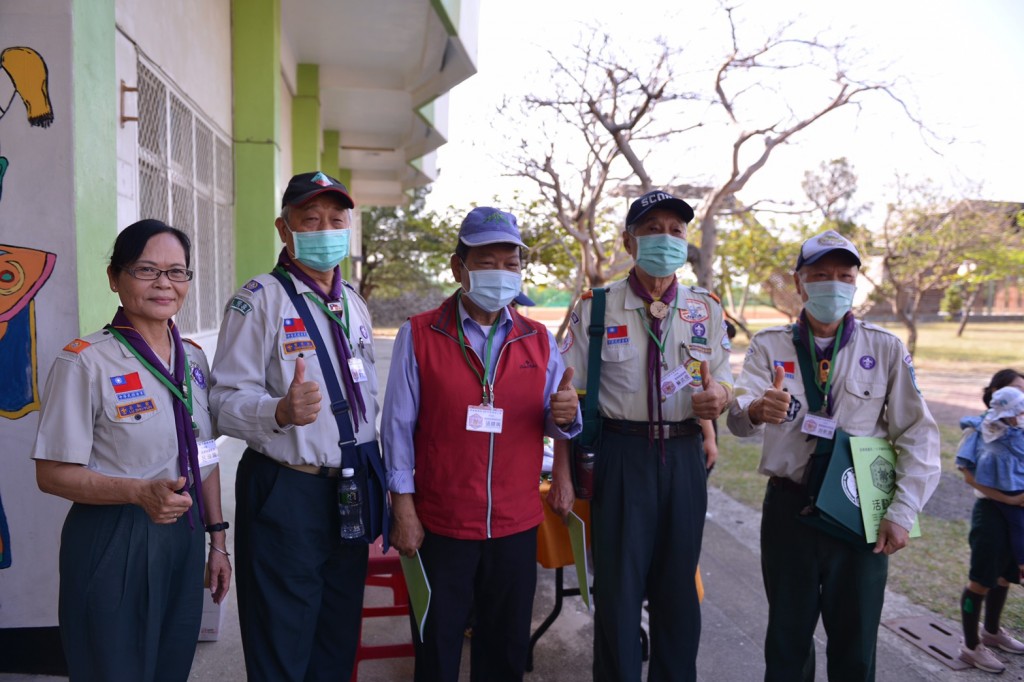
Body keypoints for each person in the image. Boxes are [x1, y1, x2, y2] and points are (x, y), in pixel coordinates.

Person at [726, 229, 941, 681]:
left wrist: (902, 511)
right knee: (787, 641)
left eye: (845, 275)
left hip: (859, 507)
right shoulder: (769, 345)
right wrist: (757, 409)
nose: (833, 284)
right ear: (799, 281)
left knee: (856, 643)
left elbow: (918, 434)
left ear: (856, 281)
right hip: (789, 508)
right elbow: (739, 417)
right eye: (820, 274)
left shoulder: (885, 348)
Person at [382, 206, 581, 682]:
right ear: (459, 267)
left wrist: (568, 420)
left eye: (511, 264)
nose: (501, 273)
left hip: (514, 524)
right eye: (487, 261)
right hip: (441, 523)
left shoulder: (538, 339)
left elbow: (558, 420)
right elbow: (396, 431)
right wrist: (403, 511)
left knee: (505, 650)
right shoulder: (419, 334)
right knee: (437, 648)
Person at [32, 219, 230, 681]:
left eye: (176, 271)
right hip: (111, 537)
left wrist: (218, 542)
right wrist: (138, 492)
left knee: (170, 663)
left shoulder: (194, 359)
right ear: (114, 278)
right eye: (147, 269)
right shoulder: (85, 361)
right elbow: (51, 474)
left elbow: (204, 454)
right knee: (112, 667)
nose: (164, 283)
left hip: (183, 534)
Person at [549, 190, 733, 682]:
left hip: (684, 454)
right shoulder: (596, 306)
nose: (665, 239)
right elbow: (566, 400)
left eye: (676, 231)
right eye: (653, 229)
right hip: (620, 455)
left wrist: (720, 402)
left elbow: (722, 376)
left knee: (679, 591)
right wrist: (563, 475)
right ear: (630, 241)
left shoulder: (705, 308)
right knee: (619, 592)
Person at [210, 171, 384, 681]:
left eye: (336, 219)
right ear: (284, 229)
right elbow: (221, 401)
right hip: (286, 490)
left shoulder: (352, 302)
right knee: (282, 642)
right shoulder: (260, 298)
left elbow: (365, 392)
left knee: (336, 638)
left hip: (349, 490)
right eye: (311, 219)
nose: (326, 229)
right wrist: (279, 411)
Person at [956, 369, 1024, 673]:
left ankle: (993, 632)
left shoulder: (1019, 429)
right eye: (1017, 390)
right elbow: (967, 473)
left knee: (1004, 575)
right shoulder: (978, 429)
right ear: (997, 393)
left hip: (1018, 513)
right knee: (981, 580)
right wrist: (1008, 499)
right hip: (991, 513)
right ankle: (971, 646)